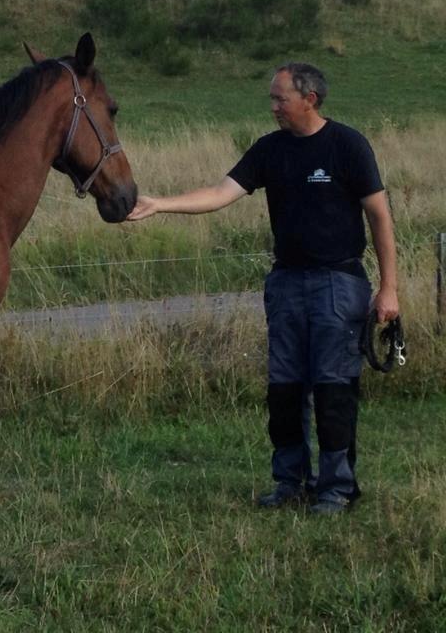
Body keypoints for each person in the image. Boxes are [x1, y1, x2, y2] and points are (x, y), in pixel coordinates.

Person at [127, 62, 399, 514]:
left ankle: (335, 489)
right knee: (285, 392)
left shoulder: (348, 146)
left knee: (334, 390)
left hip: (339, 284)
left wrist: (388, 288)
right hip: (286, 284)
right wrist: (160, 204)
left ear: (309, 99)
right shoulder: (269, 151)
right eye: (272, 99)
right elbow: (220, 193)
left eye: (280, 99)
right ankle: (289, 481)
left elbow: (380, 217)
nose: (273, 107)